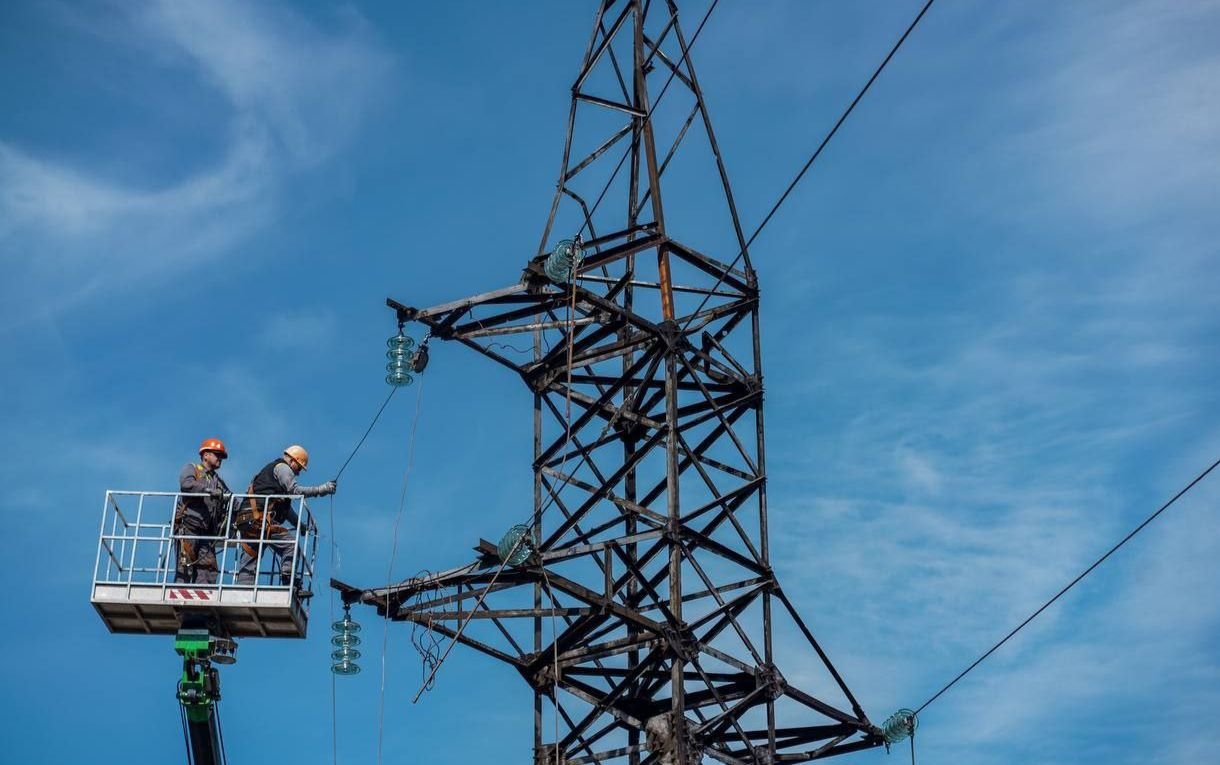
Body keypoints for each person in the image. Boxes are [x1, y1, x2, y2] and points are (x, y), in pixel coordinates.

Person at [234, 444, 336, 591]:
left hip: (247, 520)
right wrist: (321, 490)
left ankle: (242, 592)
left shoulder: (270, 476)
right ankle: (289, 582)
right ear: (293, 461)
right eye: (299, 468)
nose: (298, 472)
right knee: (291, 545)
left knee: (250, 559)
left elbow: (286, 510)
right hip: (259, 519)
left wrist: (300, 525)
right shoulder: (283, 468)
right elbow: (295, 490)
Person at [174, 438, 232, 584]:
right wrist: (207, 490)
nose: (220, 459)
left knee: (209, 571)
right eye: (216, 454)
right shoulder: (193, 468)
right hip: (188, 527)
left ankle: (202, 604)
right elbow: (186, 485)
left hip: (206, 533)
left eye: (221, 456)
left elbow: (232, 499)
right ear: (205, 455)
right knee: (185, 568)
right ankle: (181, 602)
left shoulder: (218, 481)